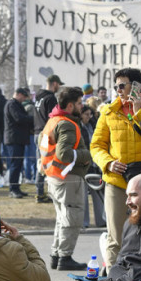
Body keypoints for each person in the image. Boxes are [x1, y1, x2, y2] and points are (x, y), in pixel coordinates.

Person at [90, 68, 141, 269]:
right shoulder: (108, 111)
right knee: (116, 237)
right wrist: (108, 163)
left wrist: (138, 112)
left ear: (136, 87)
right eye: (115, 86)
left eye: (122, 85)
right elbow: (96, 145)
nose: (118, 90)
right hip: (116, 181)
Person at [41, 87, 92, 270]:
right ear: (70, 105)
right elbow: (64, 154)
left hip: (55, 177)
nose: (82, 106)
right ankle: (65, 256)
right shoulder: (67, 124)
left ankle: (57, 255)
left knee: (62, 218)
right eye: (79, 103)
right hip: (68, 178)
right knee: (72, 218)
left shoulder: (53, 121)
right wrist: (87, 154)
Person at [33, 75, 63, 203]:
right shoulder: (50, 98)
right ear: (54, 83)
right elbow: (53, 118)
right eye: (58, 84)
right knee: (47, 163)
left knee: (40, 163)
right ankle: (42, 193)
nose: (59, 87)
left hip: (37, 133)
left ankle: (40, 192)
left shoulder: (38, 97)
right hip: (46, 134)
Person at [4, 87, 34, 198]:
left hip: (17, 138)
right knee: (15, 165)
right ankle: (13, 189)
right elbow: (18, 118)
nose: (24, 99)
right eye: (24, 96)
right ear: (19, 94)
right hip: (14, 139)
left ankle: (16, 188)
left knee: (18, 165)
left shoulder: (15, 104)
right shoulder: (12, 104)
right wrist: (31, 118)